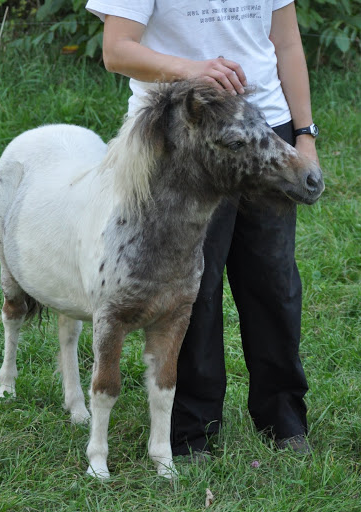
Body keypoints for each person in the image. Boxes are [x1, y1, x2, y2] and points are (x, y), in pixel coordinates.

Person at [85, 0, 319, 456]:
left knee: (274, 285)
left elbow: (287, 43)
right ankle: (191, 432)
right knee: (192, 291)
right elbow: (116, 50)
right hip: (181, 144)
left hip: (263, 133)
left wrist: (304, 134)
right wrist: (192, 70)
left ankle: (284, 420)